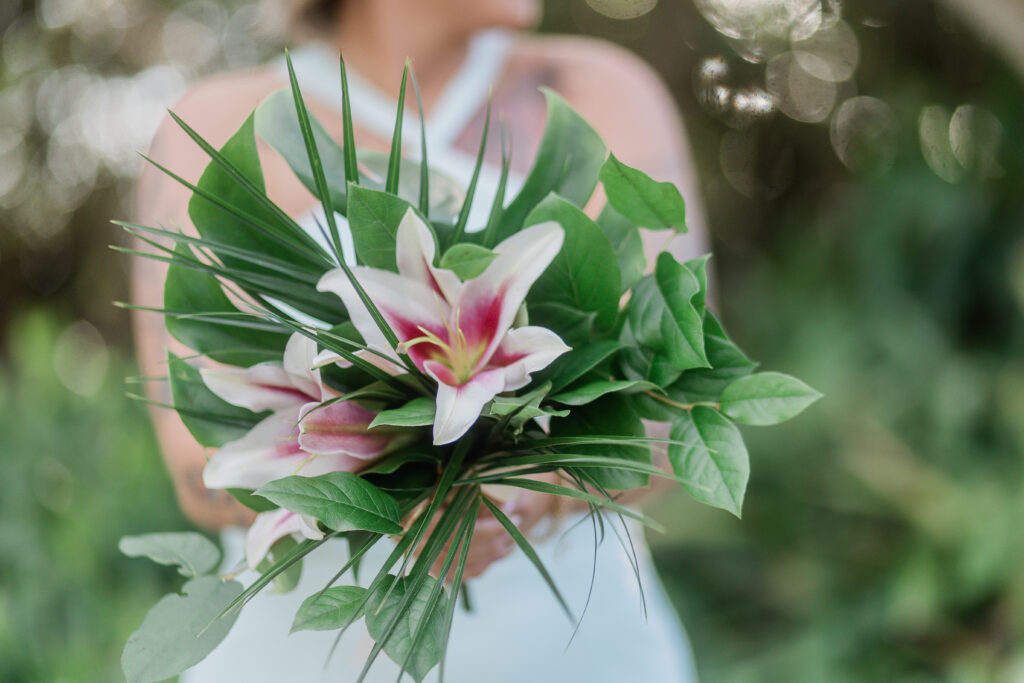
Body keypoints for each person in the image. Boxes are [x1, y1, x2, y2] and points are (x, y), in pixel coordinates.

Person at [132, 0, 708, 680]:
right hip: (308, 656)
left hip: (577, 646)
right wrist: (379, 466)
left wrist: (531, 491)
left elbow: (676, 397)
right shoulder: (216, 121)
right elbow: (200, 467)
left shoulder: (602, 91)